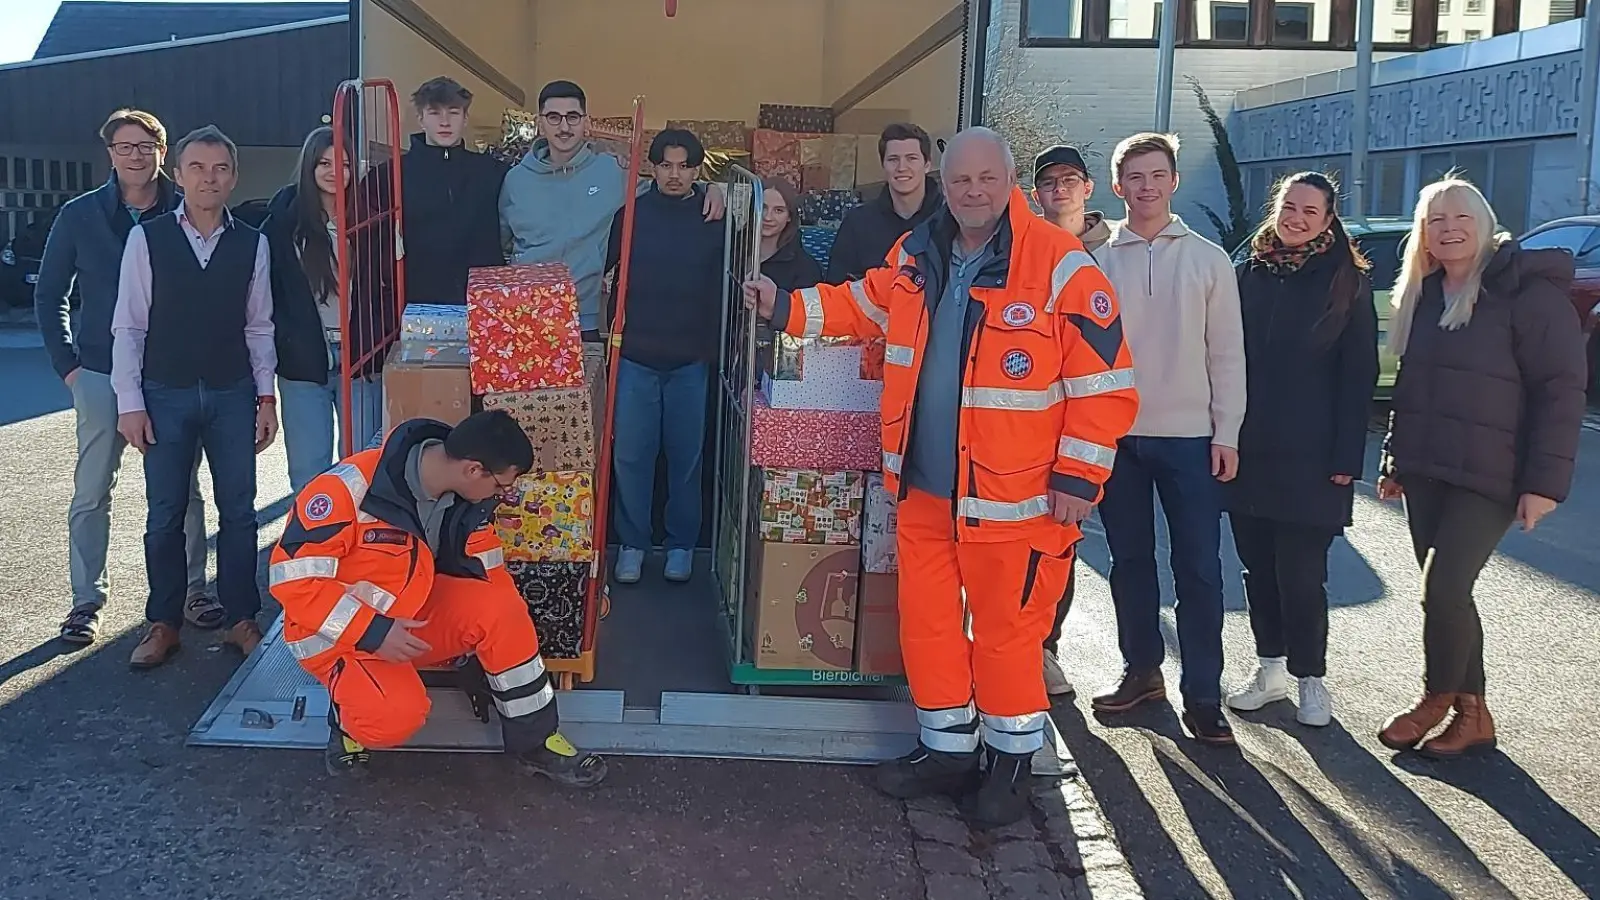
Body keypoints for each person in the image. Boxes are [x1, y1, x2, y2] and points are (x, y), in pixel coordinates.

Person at [744, 127, 1138, 828]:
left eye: (987, 179)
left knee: (1006, 632)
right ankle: (947, 746)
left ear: (1009, 179)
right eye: (961, 181)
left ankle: (1011, 761)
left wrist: (1079, 477)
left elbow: (1104, 383)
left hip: (1018, 498)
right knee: (925, 626)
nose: (973, 192)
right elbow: (861, 306)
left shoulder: (1060, 262)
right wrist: (784, 307)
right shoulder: (919, 251)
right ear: (942, 184)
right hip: (924, 488)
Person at [266, 410, 608, 786]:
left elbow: (488, 576)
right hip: (336, 635)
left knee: (502, 609)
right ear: (473, 470)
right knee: (393, 719)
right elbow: (294, 583)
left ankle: (535, 741)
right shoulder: (344, 491)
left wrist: (490, 646)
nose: (504, 496)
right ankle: (347, 720)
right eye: (501, 487)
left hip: (407, 619)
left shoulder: (465, 496)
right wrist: (373, 631)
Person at [1375, 177, 1586, 758]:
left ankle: (1436, 697)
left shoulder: (1526, 295)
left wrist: (1543, 485)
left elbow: (1561, 391)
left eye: (1460, 216)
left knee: (1442, 590)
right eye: (1436, 219)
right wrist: (1396, 459)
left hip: (1494, 473)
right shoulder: (1424, 292)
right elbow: (1412, 388)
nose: (1449, 228)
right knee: (1451, 594)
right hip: (1428, 470)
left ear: (1485, 222)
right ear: (1424, 233)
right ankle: (1474, 713)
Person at [35, 108, 221, 645]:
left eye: (145, 147)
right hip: (97, 370)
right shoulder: (80, 215)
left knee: (180, 489)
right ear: (110, 153)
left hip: (168, 373)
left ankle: (192, 590)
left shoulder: (188, 212)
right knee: (93, 489)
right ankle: (85, 601)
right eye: (124, 147)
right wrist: (68, 367)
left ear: (163, 153)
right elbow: (51, 296)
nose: (135, 156)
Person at [1089, 133, 1246, 747]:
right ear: (1118, 185)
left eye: (1157, 175)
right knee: (1129, 563)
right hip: (1119, 439)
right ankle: (1142, 671)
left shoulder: (1209, 260)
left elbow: (1228, 353)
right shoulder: (1100, 263)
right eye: (1134, 176)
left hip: (1190, 440)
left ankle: (1204, 695)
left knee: (1199, 570)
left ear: (1173, 182)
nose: (1146, 186)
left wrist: (1226, 430)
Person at [110, 125, 279, 668]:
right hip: (164, 394)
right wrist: (129, 402)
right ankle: (163, 622)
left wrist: (266, 397)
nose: (209, 178)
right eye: (198, 168)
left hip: (232, 393)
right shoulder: (148, 239)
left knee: (239, 513)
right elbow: (129, 326)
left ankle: (240, 619)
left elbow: (259, 326)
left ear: (233, 177)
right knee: (164, 514)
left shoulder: (253, 243)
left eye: (220, 169)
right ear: (177, 175)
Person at [1223, 172, 1379, 728]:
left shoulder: (1347, 282)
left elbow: (1358, 375)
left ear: (1327, 220)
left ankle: (1311, 679)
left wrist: (1345, 460)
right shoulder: (1248, 274)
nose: (1296, 219)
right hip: (1248, 451)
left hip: (1312, 460)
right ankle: (1268, 670)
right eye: (1289, 207)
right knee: (1257, 570)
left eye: (1309, 212)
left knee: (1302, 575)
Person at [602, 129, 728, 585]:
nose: (675, 175)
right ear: (652, 167)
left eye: (684, 166)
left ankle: (681, 547)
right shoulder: (629, 216)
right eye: (666, 165)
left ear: (697, 170)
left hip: (691, 358)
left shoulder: (715, 216)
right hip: (636, 354)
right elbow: (611, 278)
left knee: (686, 459)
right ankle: (632, 545)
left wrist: (723, 192)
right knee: (631, 458)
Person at [1028, 144, 1112, 698]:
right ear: (1036, 194)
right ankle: (1034, 649)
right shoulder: (1021, 250)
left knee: (1069, 540)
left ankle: (1049, 646)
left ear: (1088, 188)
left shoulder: (1119, 253)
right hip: (1033, 428)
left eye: (1071, 179)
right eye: (1049, 181)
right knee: (1038, 548)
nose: (1060, 189)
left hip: (1102, 420)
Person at [263, 126, 387, 492]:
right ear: (309, 167)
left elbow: (384, 288)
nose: (335, 172)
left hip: (360, 362)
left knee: (361, 468)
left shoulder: (371, 220)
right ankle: (310, 546)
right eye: (324, 163)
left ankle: (357, 548)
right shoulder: (284, 224)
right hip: (304, 363)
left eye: (344, 164)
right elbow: (270, 294)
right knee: (309, 473)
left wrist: (376, 339)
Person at [369, 76, 507, 305]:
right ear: (421, 119)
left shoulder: (493, 172)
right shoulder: (390, 175)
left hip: (484, 304)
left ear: (465, 119)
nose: (445, 122)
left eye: (453, 112)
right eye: (434, 113)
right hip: (416, 304)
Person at [825, 122, 944, 282]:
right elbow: (836, 289)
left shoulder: (949, 219)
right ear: (883, 165)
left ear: (927, 165)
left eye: (911, 158)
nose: (902, 167)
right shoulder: (857, 223)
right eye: (893, 159)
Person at [1032, 145, 1111, 253]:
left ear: (1087, 189)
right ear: (1036, 197)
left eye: (1069, 180)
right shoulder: (1018, 248)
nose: (1059, 188)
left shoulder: (1114, 247)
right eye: (1048, 183)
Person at [758, 178, 823, 291]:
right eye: (763, 208)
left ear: (789, 216)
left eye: (778, 210)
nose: (767, 217)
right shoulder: (732, 251)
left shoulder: (806, 268)